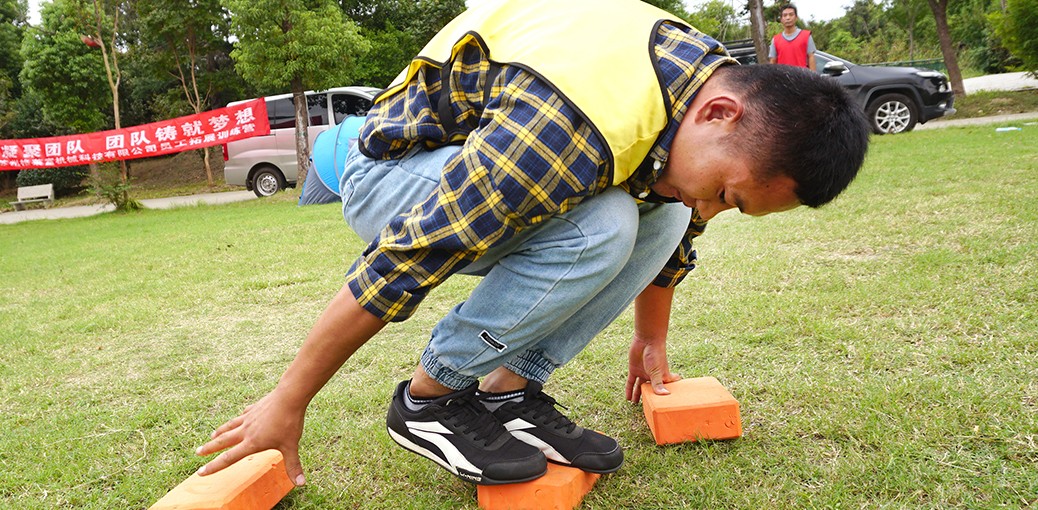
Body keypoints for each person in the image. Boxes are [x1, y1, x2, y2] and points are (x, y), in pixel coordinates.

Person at [195, 0, 868, 488]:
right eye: (725, 193)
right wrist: (288, 402)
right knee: (603, 223)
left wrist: (651, 338)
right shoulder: (565, 129)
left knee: (661, 217)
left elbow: (679, 224)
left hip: (491, 157)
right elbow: (407, 258)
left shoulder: (705, 88)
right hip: (390, 174)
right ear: (722, 115)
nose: (710, 208)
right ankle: (430, 402)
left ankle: (509, 393)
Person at [769, 4, 817, 71]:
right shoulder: (775, 40)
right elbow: (772, 61)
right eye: (785, 15)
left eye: (791, 15)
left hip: (802, 77)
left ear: (796, 18)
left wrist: (813, 77)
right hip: (782, 77)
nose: (788, 18)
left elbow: (811, 57)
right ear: (781, 19)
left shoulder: (806, 36)